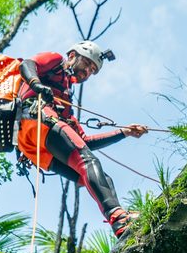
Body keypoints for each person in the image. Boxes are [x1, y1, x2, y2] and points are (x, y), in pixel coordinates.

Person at [16, 41, 148, 238]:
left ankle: (119, 223)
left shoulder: (65, 104)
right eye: (87, 64)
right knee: (88, 162)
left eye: (92, 70)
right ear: (72, 56)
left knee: (95, 176)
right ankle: (118, 217)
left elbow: (84, 141)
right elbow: (27, 64)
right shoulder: (56, 60)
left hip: (38, 146)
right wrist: (37, 85)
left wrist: (123, 132)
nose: (87, 71)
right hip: (36, 118)